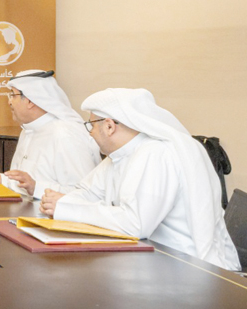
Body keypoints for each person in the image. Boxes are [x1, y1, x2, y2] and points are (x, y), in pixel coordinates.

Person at [40, 88, 239, 270]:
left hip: (187, 267)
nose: (90, 133)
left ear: (109, 126)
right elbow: (88, 192)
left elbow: (136, 224)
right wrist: (60, 201)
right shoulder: (119, 155)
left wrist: (66, 207)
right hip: (152, 260)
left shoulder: (156, 153)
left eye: (90, 125)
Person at [0, 70, 101, 199]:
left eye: (12, 95)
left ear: (30, 101)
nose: (9, 102)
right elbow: (25, 183)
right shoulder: (28, 131)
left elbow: (86, 195)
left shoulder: (65, 134)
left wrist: (36, 188)